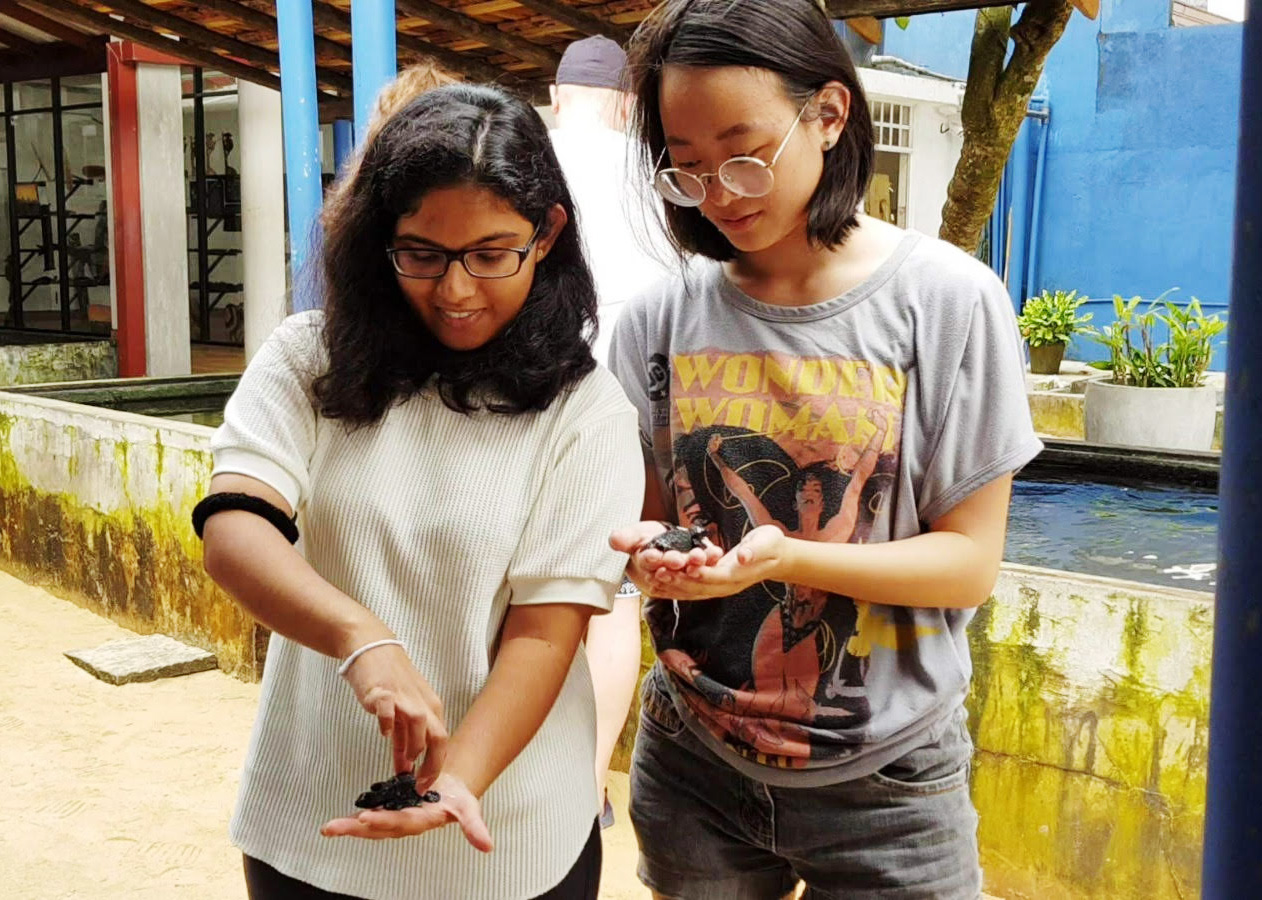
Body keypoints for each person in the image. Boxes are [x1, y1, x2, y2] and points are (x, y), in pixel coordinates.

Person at [606, 1, 1043, 897]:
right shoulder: (658, 318)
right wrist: (648, 556)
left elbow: (968, 565)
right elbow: (646, 517)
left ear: (831, 114)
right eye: (687, 168)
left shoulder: (948, 302)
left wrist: (788, 559)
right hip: (692, 761)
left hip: (888, 778)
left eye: (743, 154)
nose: (719, 193)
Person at [198, 83, 643, 900]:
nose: (456, 290)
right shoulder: (308, 359)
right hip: (310, 816)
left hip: (507, 839)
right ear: (380, 240)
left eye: (491, 254)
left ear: (546, 234)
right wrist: (359, 637)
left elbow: (545, 636)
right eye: (423, 255)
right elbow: (235, 528)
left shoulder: (586, 412)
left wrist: (456, 780)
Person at [548, 34, 673, 825]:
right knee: (617, 602)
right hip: (630, 411)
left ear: (556, 98)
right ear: (628, 105)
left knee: (527, 596)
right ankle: (589, 783)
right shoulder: (654, 176)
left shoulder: (528, 159)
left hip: (534, 407)